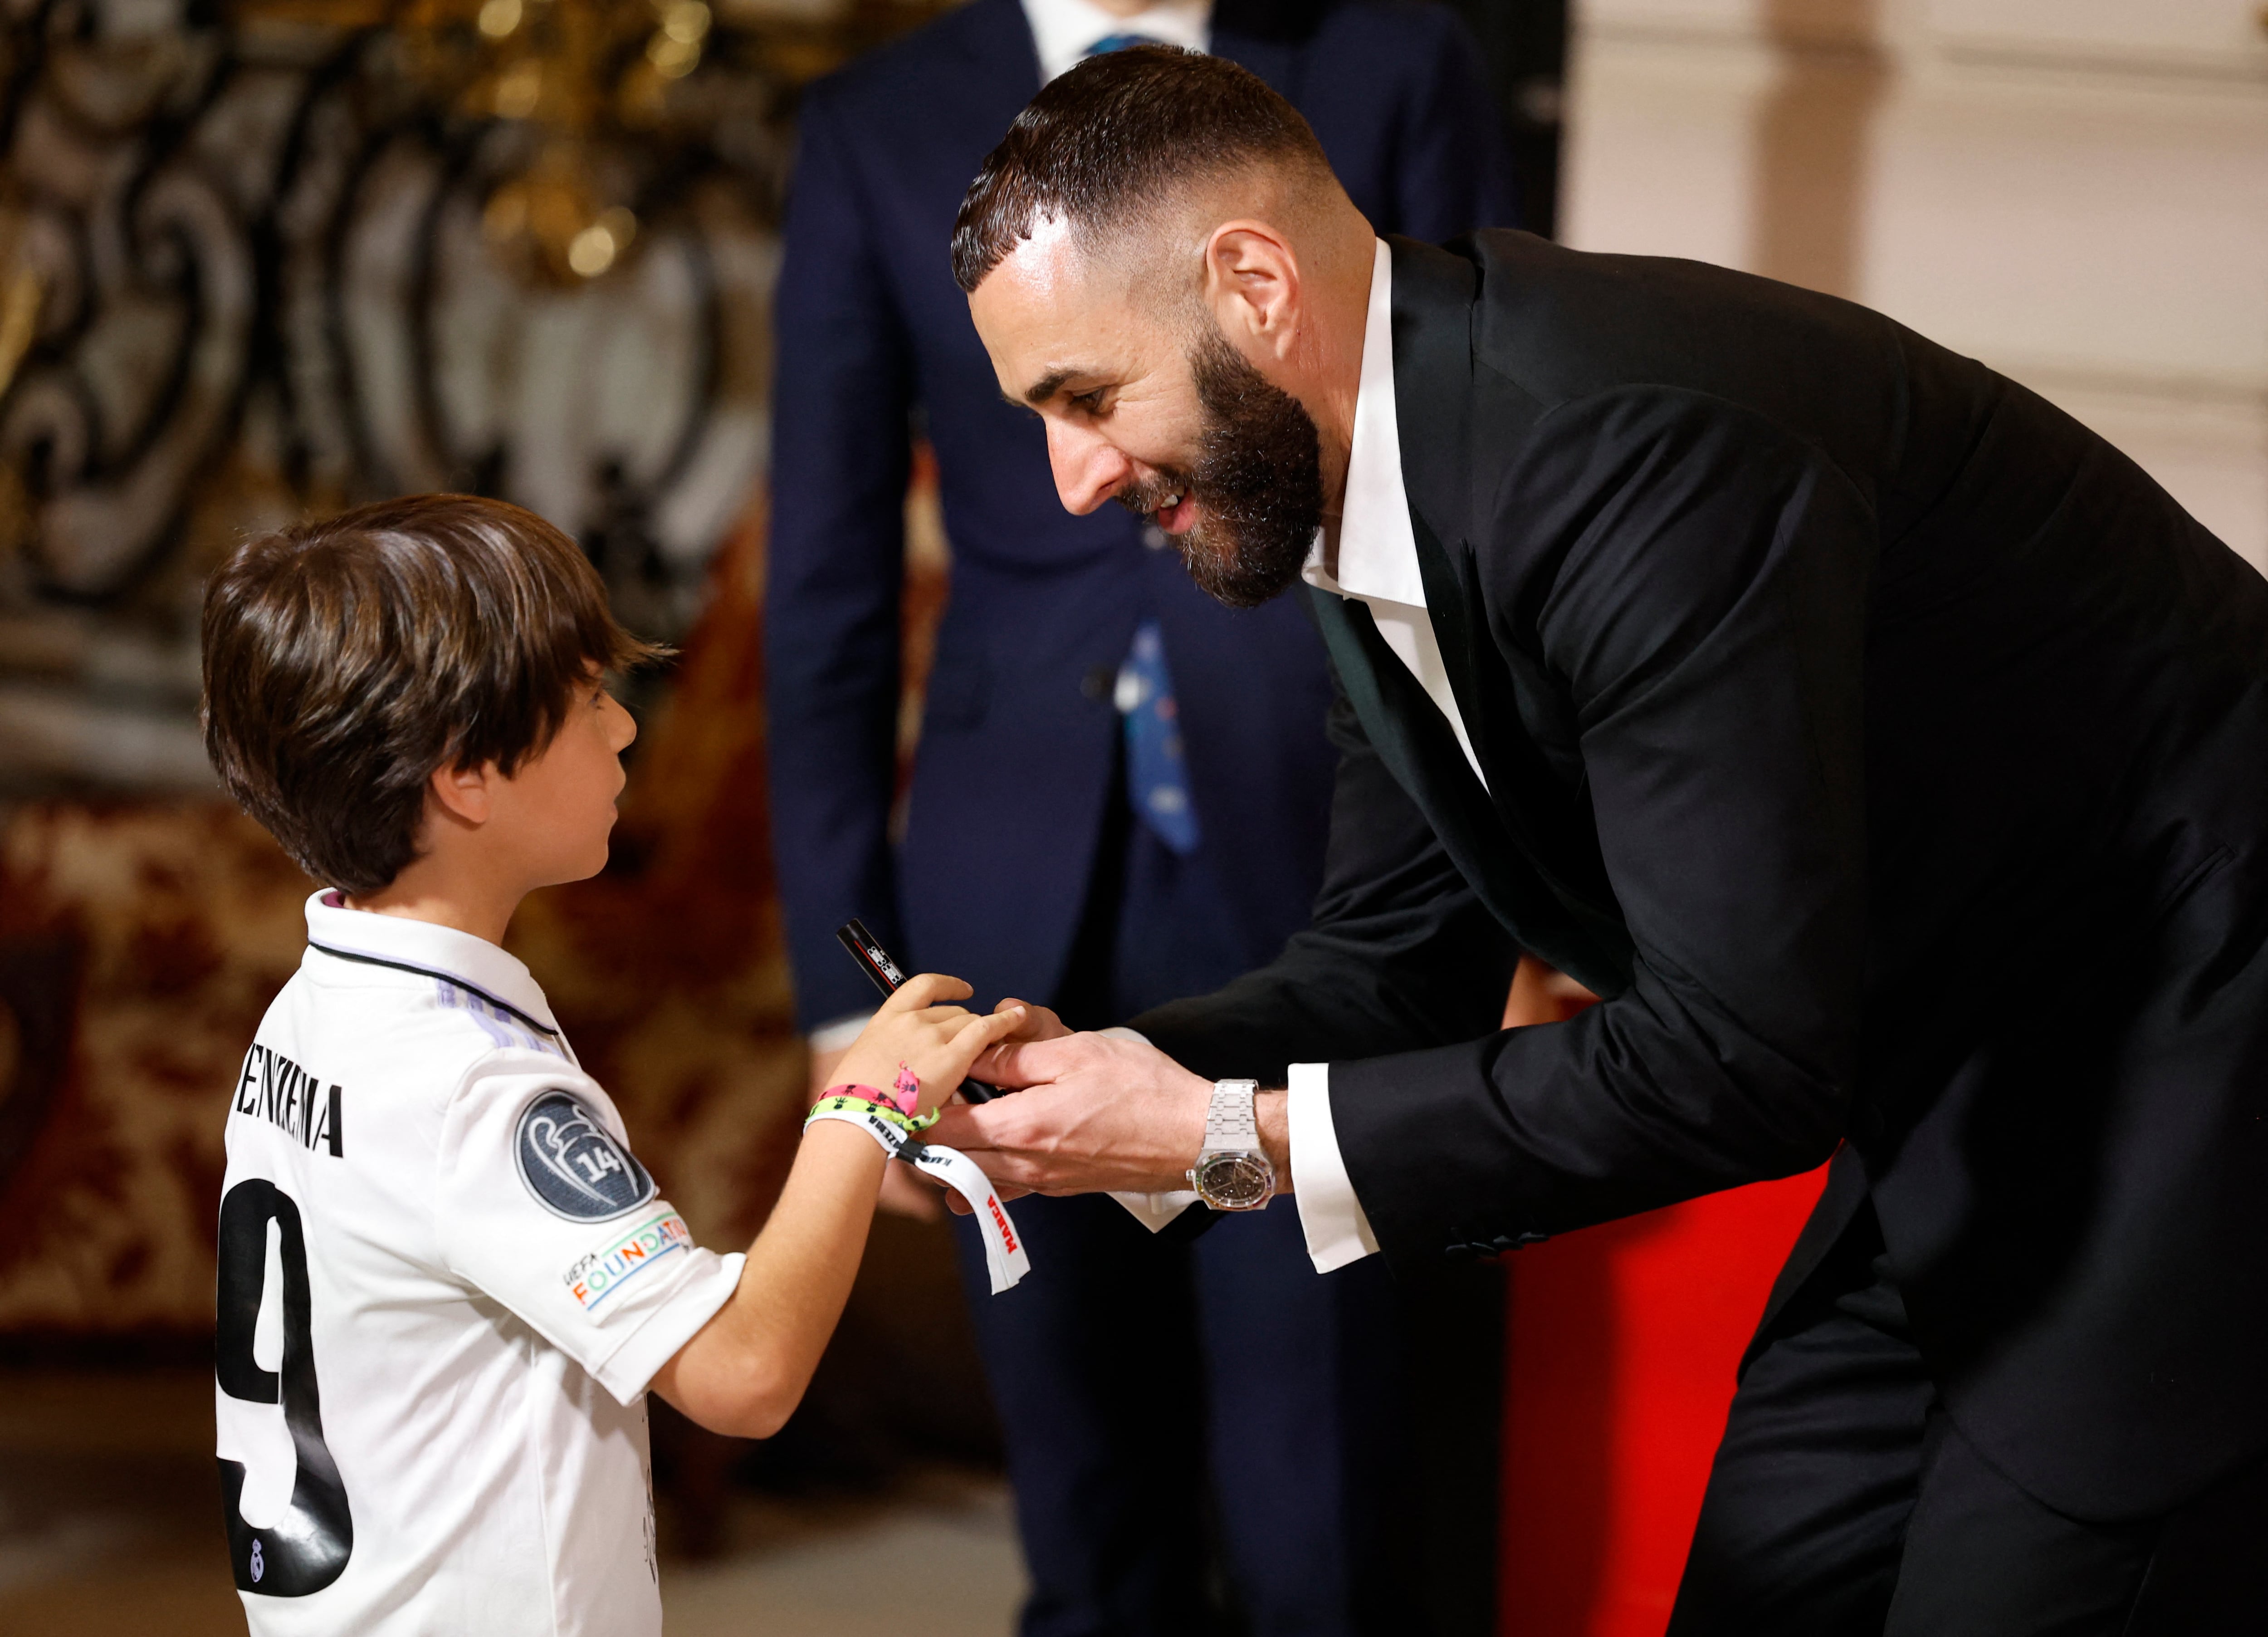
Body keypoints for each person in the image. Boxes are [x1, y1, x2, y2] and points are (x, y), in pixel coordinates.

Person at [934, 46, 2268, 1634]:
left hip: (2198, 1050)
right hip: (1953, 1072)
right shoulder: (1356, 482)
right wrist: (1085, 1072)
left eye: (1086, 399)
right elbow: (1388, 963)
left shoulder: (1627, 455)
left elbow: (1736, 1061)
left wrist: (1227, 1134)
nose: (1070, 479)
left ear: (1252, 283)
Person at [765, 4, 1514, 1633]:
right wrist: (841, 989)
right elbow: (820, 574)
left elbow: (1470, 459)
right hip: (1009, 878)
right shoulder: (872, 124)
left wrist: (1522, 875)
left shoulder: (1394, 60)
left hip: (1338, 854)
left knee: (1328, 1513)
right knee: (1089, 1518)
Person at [197, 494, 1026, 1637]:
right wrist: (862, 1106)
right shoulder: (473, 1087)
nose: (627, 729)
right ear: (466, 775)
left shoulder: (309, 1016)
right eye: (591, 701)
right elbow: (742, 1374)